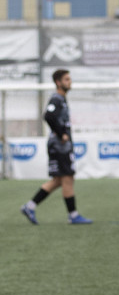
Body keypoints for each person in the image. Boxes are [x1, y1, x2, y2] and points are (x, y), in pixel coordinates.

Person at [20, 69, 92, 226]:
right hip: (60, 146)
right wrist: (61, 134)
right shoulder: (57, 99)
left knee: (59, 180)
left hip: (61, 146)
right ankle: (73, 215)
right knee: (67, 178)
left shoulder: (62, 99)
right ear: (58, 82)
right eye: (66, 79)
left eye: (69, 79)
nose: (69, 82)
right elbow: (48, 115)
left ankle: (29, 206)